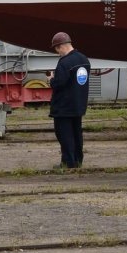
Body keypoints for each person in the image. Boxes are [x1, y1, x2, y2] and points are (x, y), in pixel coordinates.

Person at [48, 31, 90, 169]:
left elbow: (59, 83)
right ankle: (78, 160)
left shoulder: (65, 63)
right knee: (77, 134)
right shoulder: (84, 59)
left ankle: (68, 162)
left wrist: (51, 80)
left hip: (64, 107)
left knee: (65, 135)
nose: (57, 52)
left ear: (61, 46)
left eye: (57, 49)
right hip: (78, 105)